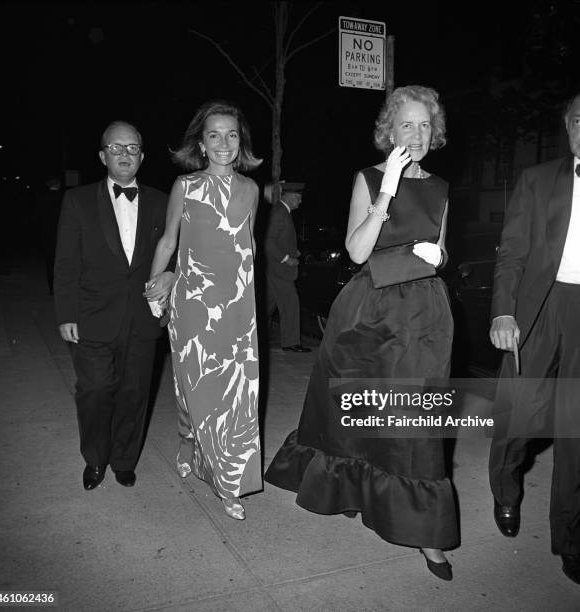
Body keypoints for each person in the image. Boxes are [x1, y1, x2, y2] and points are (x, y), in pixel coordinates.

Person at [265, 85, 458, 580]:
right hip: (368, 308)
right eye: (405, 125)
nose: (415, 134)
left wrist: (441, 256)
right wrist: (387, 189)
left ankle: (426, 531)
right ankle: (352, 489)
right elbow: (356, 251)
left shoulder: (440, 187)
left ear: (433, 133)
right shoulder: (368, 179)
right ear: (388, 132)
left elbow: (438, 247)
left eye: (423, 125)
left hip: (421, 314)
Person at [146, 100, 262, 521]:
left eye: (232, 134)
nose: (224, 143)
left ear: (241, 140)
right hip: (194, 305)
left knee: (237, 396)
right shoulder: (186, 186)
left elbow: (244, 251)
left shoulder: (251, 191)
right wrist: (154, 289)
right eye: (214, 134)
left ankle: (227, 478)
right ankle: (194, 450)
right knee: (195, 388)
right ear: (201, 142)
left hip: (238, 308)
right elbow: (169, 243)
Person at [488, 91, 580, 585]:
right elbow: (513, 253)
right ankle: (506, 491)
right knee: (519, 416)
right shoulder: (537, 180)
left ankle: (570, 535)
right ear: (569, 128)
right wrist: (503, 311)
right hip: (538, 310)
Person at [54, 120, 169, 490]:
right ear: (103, 155)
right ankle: (95, 459)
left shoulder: (162, 202)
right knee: (96, 391)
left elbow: (179, 253)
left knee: (135, 394)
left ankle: (123, 459)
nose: (124, 154)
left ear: (142, 156)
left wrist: (173, 277)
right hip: (92, 317)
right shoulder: (78, 200)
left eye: (132, 148)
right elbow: (66, 262)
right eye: (116, 148)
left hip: (142, 318)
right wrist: (66, 313)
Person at [264, 182, 311, 353]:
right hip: (279, 269)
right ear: (289, 196)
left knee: (267, 306)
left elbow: (279, 239)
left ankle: (250, 337)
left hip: (273, 269)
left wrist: (293, 251)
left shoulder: (281, 211)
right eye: (298, 198)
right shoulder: (280, 212)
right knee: (291, 303)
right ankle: (291, 343)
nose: (300, 201)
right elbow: (268, 240)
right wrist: (286, 258)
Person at [36, 175, 63, 295]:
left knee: (49, 262)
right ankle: (60, 286)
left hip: (47, 233)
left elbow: (38, 216)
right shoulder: (63, 198)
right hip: (61, 234)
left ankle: (51, 287)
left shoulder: (43, 198)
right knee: (62, 262)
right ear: (58, 185)